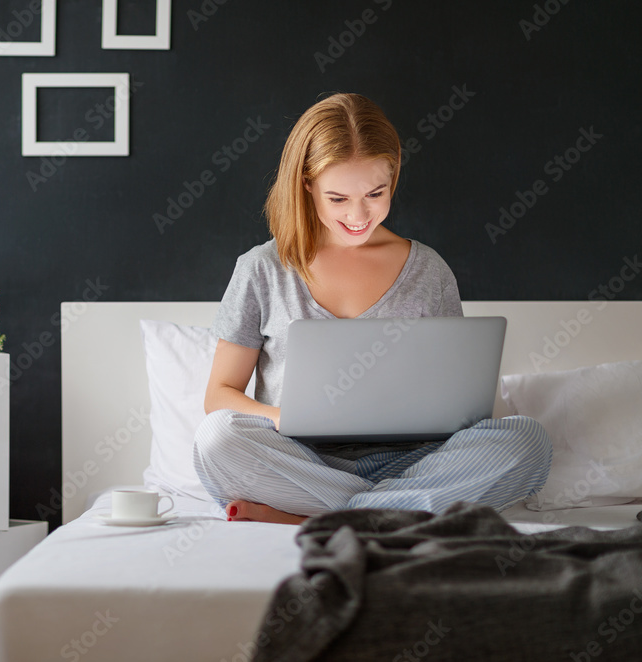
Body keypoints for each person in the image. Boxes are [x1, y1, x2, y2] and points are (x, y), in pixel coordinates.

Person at [193, 93, 552, 524]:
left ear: (394, 173)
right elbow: (220, 396)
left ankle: (317, 518)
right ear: (306, 184)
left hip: (414, 464)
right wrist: (283, 416)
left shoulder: (430, 271)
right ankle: (397, 514)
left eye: (374, 193)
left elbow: (458, 405)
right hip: (305, 463)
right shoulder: (261, 270)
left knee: (528, 440)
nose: (359, 215)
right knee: (217, 440)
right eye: (338, 198)